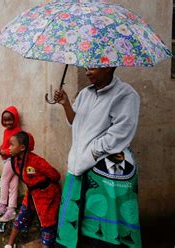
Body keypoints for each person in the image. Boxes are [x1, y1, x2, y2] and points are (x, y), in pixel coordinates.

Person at [53, 68, 142, 248]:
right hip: (79, 164)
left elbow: (120, 133)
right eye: (86, 66)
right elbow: (75, 123)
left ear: (110, 66)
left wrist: (93, 152)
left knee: (103, 225)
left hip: (107, 169)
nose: (87, 72)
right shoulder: (85, 94)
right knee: (74, 221)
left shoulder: (126, 94)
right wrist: (66, 104)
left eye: (93, 66)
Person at [5, 131, 61, 248]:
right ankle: (9, 245)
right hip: (32, 193)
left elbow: (55, 175)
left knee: (47, 223)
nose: (9, 148)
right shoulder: (15, 161)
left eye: (12, 145)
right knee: (21, 216)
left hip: (47, 195)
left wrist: (42, 185)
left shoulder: (37, 161)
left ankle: (46, 244)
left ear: (22, 147)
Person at [0, 106, 22, 222]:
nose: (7, 122)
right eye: (5, 120)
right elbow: (6, 144)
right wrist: (0, 149)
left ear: (16, 119)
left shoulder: (17, 132)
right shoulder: (6, 131)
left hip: (13, 159)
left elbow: (15, 148)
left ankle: (2, 204)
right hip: (8, 159)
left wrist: (5, 152)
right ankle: (11, 209)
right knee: (13, 184)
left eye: (10, 119)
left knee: (4, 180)